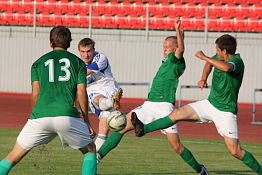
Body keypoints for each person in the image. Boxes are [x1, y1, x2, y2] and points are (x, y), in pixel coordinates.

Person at [132, 34, 262, 174]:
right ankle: (143, 129)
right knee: (177, 113)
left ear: (225, 51)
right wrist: (203, 78)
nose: (216, 52)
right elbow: (209, 64)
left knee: (235, 151)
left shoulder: (237, 62)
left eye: (217, 50)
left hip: (225, 112)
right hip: (209, 104)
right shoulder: (219, 57)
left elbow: (226, 68)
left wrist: (204, 57)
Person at [97, 18, 209, 175]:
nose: (165, 49)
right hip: (149, 105)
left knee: (176, 146)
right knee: (121, 127)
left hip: (165, 107)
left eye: (169, 47)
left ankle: (200, 170)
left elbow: (181, 51)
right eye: (164, 47)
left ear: (175, 48)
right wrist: (180, 38)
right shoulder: (166, 61)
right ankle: (98, 157)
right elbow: (178, 48)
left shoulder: (176, 61)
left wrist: (178, 32)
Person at [0, 26, 97, 175]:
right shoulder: (78, 63)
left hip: (40, 117)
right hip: (67, 116)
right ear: (69, 43)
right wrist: (86, 120)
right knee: (90, 150)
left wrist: (34, 117)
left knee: (12, 157)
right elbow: (81, 92)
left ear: (50, 42)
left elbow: (35, 93)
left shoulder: (37, 63)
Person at [78, 38, 123, 151]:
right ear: (79, 52)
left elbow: (85, 72)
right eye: (83, 52)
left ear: (94, 50)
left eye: (88, 51)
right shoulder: (78, 63)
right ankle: (95, 159)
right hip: (92, 91)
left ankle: (111, 101)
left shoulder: (101, 58)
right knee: (103, 132)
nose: (86, 55)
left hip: (108, 88)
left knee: (99, 102)